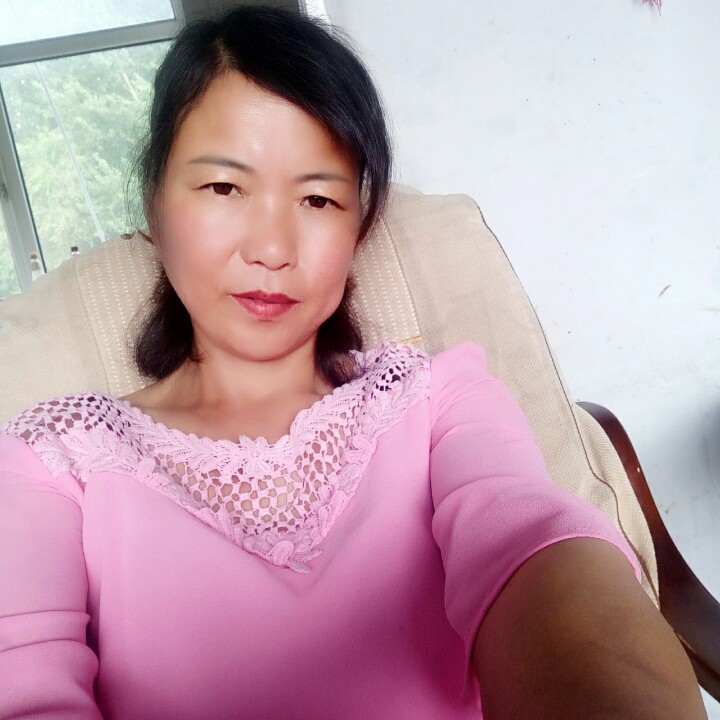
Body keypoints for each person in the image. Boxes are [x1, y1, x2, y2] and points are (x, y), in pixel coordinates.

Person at [0, 6, 706, 720]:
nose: (272, 248)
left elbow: (531, 546)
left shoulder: (439, 398)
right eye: (224, 187)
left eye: (318, 198)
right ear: (154, 202)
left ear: (357, 225)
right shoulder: (52, 464)